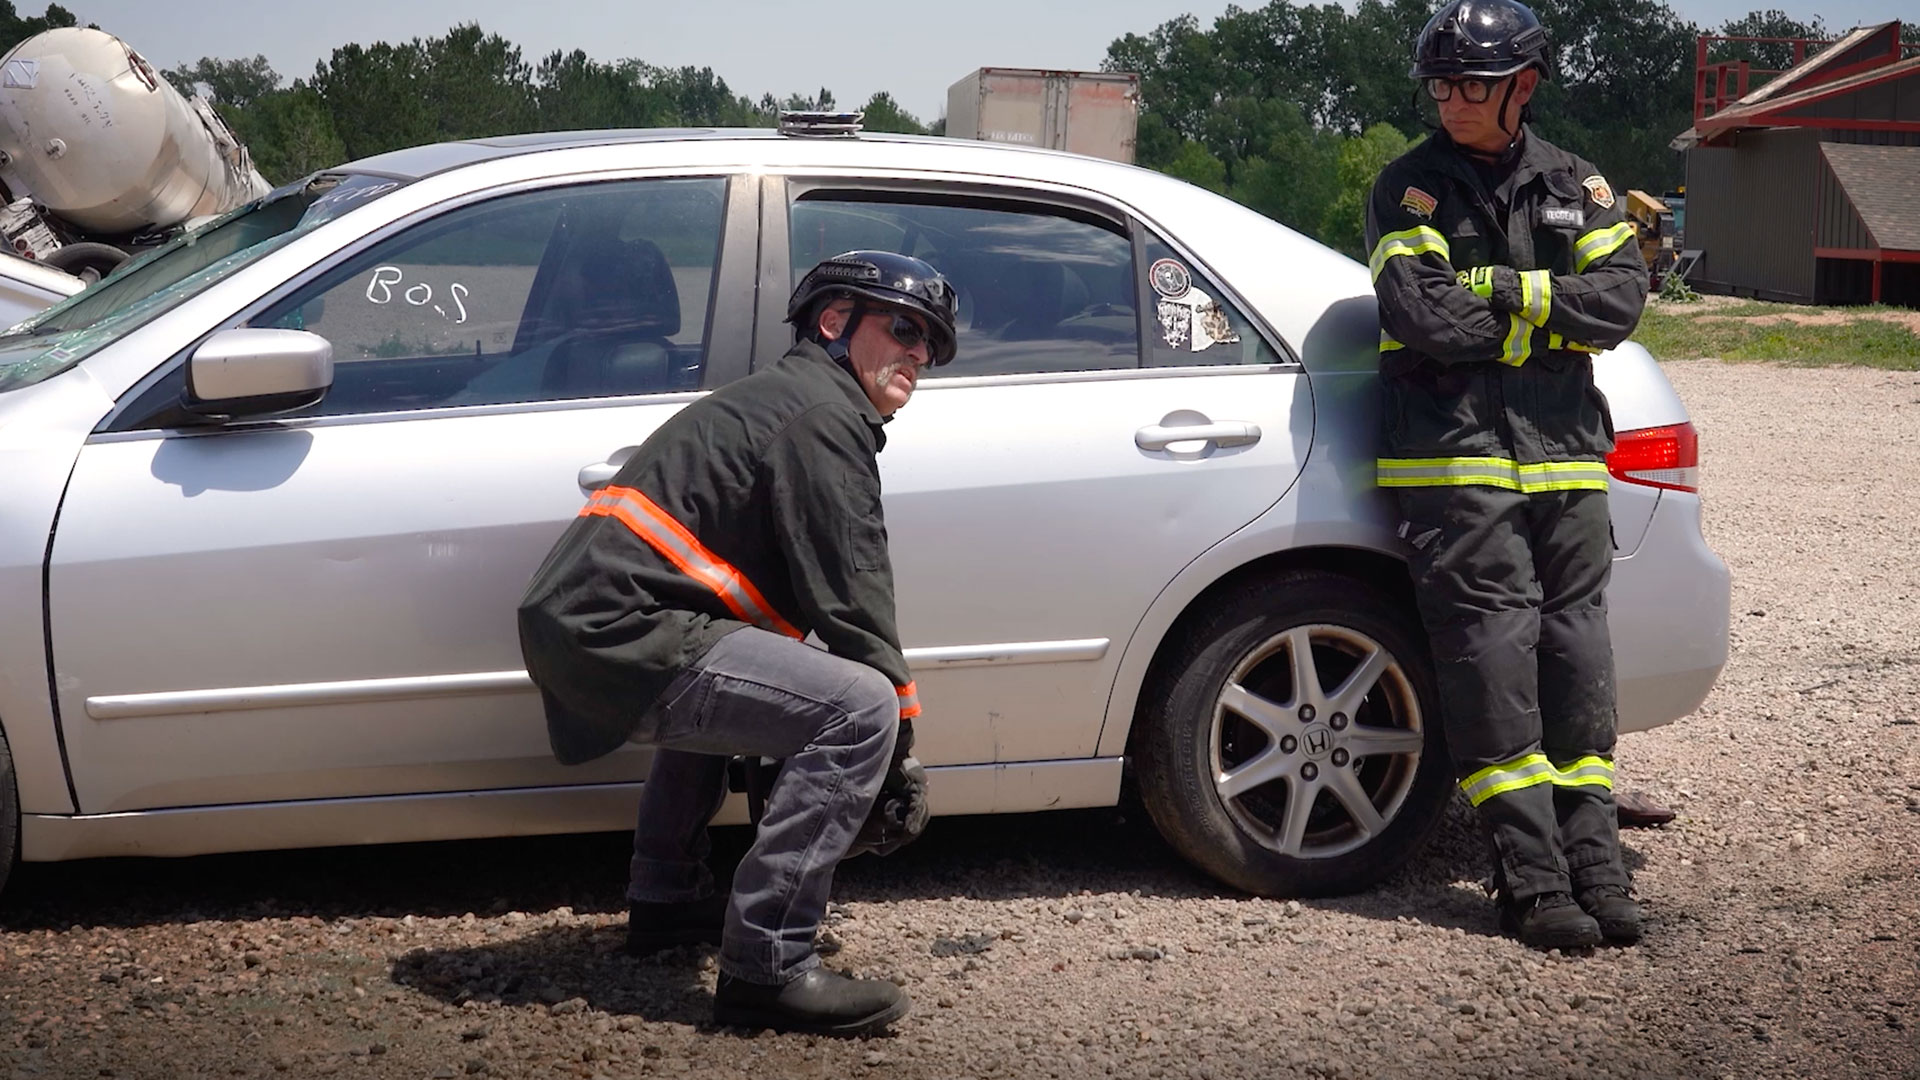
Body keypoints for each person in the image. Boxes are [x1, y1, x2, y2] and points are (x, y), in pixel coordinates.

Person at [517, 250, 958, 1033]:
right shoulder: (823, 416)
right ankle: (769, 965)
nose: (920, 353)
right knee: (857, 709)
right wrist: (900, 728)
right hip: (621, 628)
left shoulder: (788, 400)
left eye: (930, 342)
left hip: (588, 624)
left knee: (748, 663)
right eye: (903, 328)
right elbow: (853, 588)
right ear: (833, 322)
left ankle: (669, 899)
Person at [1365, 0, 1649, 949]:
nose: (1450, 101)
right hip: (1455, 461)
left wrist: (1502, 292)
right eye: (1439, 84)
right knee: (1493, 665)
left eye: (1470, 84)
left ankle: (1599, 874)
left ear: (1524, 84)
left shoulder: (1580, 183)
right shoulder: (1406, 189)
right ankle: (1532, 884)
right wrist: (1549, 321)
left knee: (1578, 664)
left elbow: (1619, 303)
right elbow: (1426, 319)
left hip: (1565, 456)